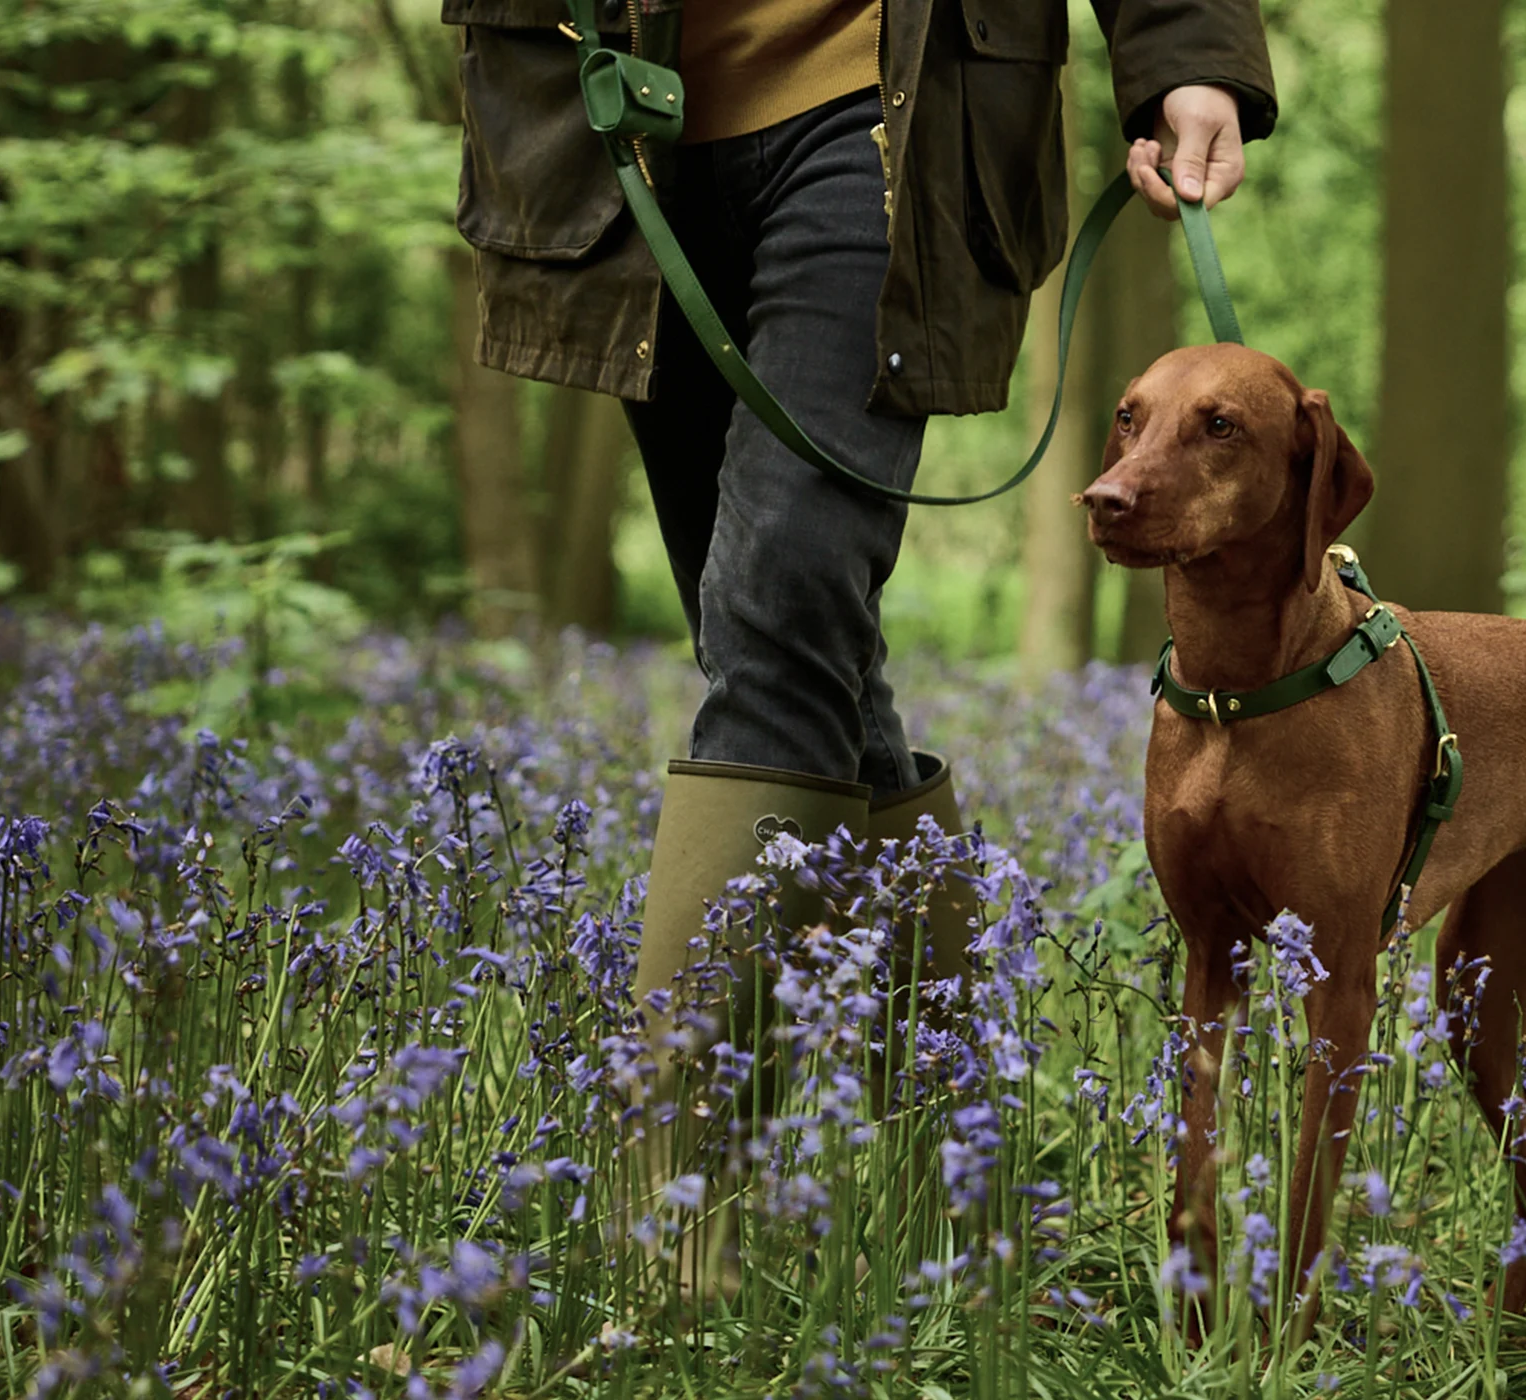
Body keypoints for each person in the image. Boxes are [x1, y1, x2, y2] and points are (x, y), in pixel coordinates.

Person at [444, 0, 1275, 1285]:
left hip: (892, 110)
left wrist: (1188, 58)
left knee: (779, 604)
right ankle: (965, 1182)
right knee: (791, 646)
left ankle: (676, 1243)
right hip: (617, 109)